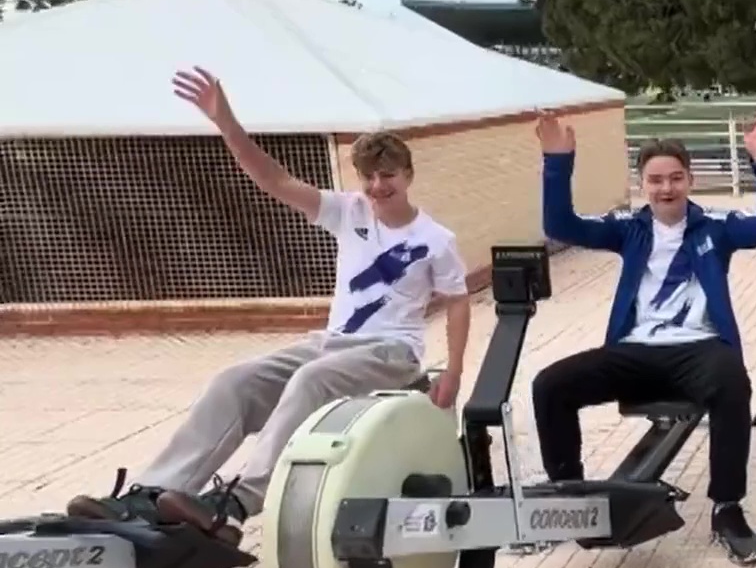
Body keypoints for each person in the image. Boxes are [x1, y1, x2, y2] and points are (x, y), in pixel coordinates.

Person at [66, 67, 472, 543]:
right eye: (369, 177)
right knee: (234, 382)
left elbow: (459, 302)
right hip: (332, 345)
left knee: (311, 379)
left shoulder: (435, 240)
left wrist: (454, 374)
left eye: (388, 176)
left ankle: (236, 502)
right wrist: (225, 121)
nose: (378, 186)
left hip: (391, 355)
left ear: (407, 175)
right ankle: (153, 495)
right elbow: (273, 179)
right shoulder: (350, 212)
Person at [529, 109, 756, 566]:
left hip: (699, 349)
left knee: (732, 382)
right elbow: (561, 225)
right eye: (655, 180)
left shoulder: (717, 228)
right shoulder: (627, 228)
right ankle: (568, 497)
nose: (666, 188)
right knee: (550, 384)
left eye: (675, 178)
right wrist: (556, 162)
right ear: (642, 184)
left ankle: (727, 509)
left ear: (689, 179)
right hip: (634, 352)